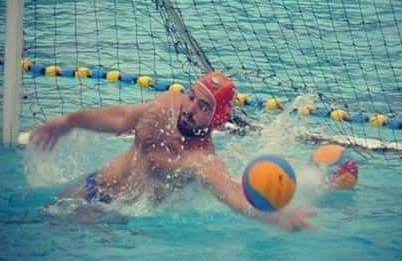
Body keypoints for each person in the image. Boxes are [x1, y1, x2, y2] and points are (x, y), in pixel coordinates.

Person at [31, 71, 315, 231]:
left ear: (215, 119)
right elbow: (122, 118)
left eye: (203, 107)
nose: (189, 109)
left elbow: (231, 193)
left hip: (118, 218)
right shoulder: (166, 105)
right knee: (33, 223)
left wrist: (275, 217)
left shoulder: (202, 159)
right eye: (192, 97)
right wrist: (70, 122)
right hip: (92, 187)